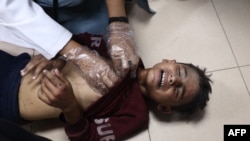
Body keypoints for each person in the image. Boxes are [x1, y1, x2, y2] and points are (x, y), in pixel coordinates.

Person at [0, 33, 212, 141]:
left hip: (10, 103)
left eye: (178, 91)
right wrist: (57, 59)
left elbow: (89, 138)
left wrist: (70, 105)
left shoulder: (135, 114)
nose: (175, 80)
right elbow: (75, 40)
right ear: (169, 61)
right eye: (180, 72)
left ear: (165, 108)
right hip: (16, 65)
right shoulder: (124, 50)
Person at [0, 0, 155, 93]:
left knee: (100, 39)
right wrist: (69, 50)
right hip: (26, 11)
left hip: (88, 8)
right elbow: (8, 6)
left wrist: (118, 20)